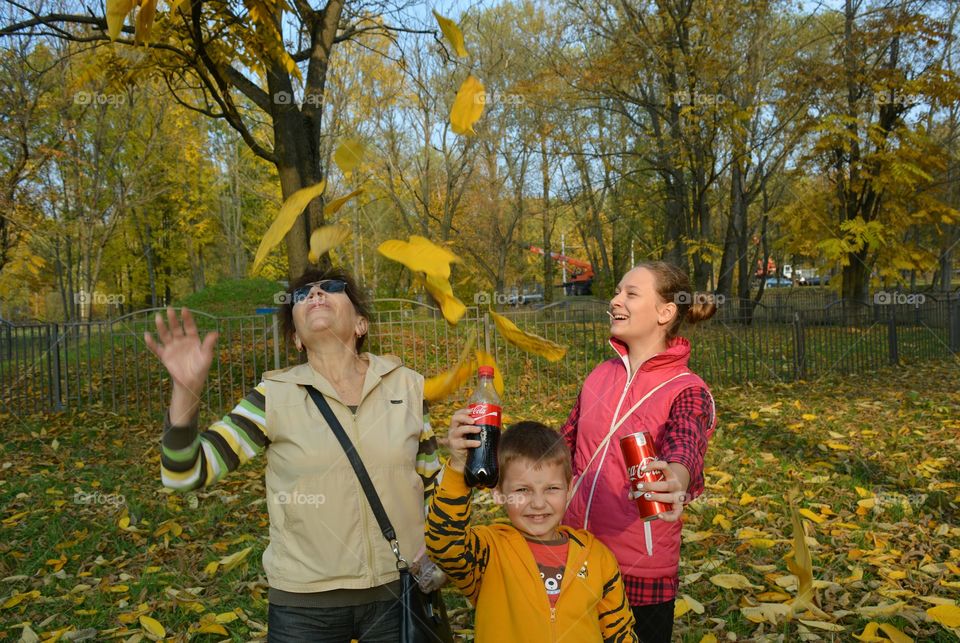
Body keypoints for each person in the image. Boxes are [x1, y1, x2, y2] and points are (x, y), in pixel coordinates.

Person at [144, 267, 442, 643]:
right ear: (296, 338)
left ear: (361, 323)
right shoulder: (273, 395)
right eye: (302, 294)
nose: (315, 294)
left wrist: (437, 550)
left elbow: (433, 483)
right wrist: (185, 393)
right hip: (304, 605)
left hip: (399, 594)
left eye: (331, 288)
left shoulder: (408, 386)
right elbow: (183, 473)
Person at [561, 261, 717, 643]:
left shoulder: (687, 389)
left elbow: (686, 446)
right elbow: (561, 447)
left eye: (630, 293)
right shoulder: (600, 375)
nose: (615, 300)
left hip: (638, 570)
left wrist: (675, 479)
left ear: (665, 313)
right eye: (617, 292)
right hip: (574, 553)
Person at [428, 419, 638, 642]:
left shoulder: (598, 557)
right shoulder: (488, 554)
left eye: (551, 489)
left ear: (569, 489)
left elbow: (620, 632)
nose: (538, 503)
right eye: (523, 490)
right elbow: (444, 544)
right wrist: (460, 465)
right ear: (498, 492)